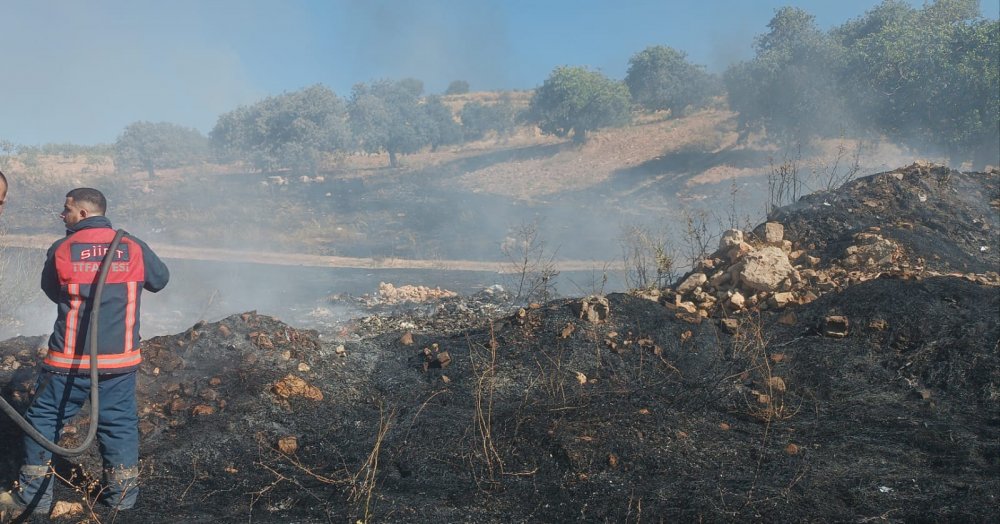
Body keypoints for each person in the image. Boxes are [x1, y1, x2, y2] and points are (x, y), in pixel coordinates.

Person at [0, 187, 169, 518]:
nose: (63, 216)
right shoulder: (132, 246)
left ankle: (35, 497)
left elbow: (53, 291)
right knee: (118, 421)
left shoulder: (63, 248)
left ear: (82, 213)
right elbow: (160, 280)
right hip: (120, 361)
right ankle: (122, 497)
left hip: (69, 362)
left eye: (66, 210)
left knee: (44, 419)